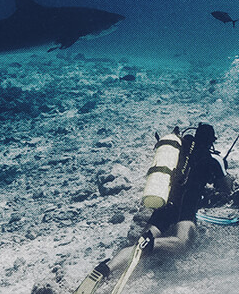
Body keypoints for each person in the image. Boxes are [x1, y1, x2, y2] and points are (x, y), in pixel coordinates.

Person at [74, 123, 229, 294]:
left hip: (164, 202)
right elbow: (226, 188)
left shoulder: (179, 151)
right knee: (182, 244)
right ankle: (150, 244)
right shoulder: (214, 159)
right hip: (186, 207)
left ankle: (105, 269)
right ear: (211, 142)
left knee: (137, 246)